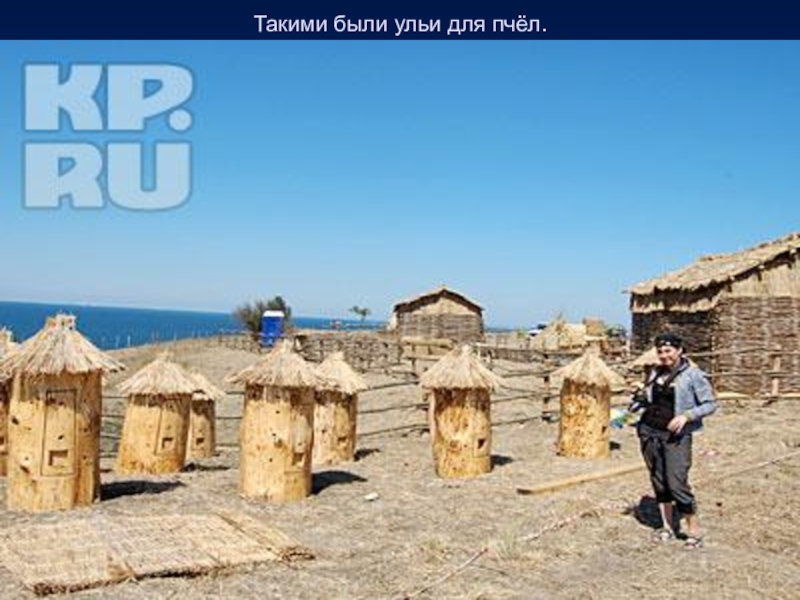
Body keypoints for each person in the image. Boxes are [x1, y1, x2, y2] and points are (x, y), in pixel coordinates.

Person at [635, 332, 718, 548]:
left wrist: (686, 416)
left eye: (668, 351)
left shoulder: (693, 375)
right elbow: (651, 399)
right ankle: (667, 527)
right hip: (649, 432)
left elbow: (710, 404)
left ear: (679, 350)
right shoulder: (655, 372)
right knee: (659, 481)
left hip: (675, 437)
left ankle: (694, 531)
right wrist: (640, 401)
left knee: (676, 482)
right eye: (660, 351)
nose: (664, 355)